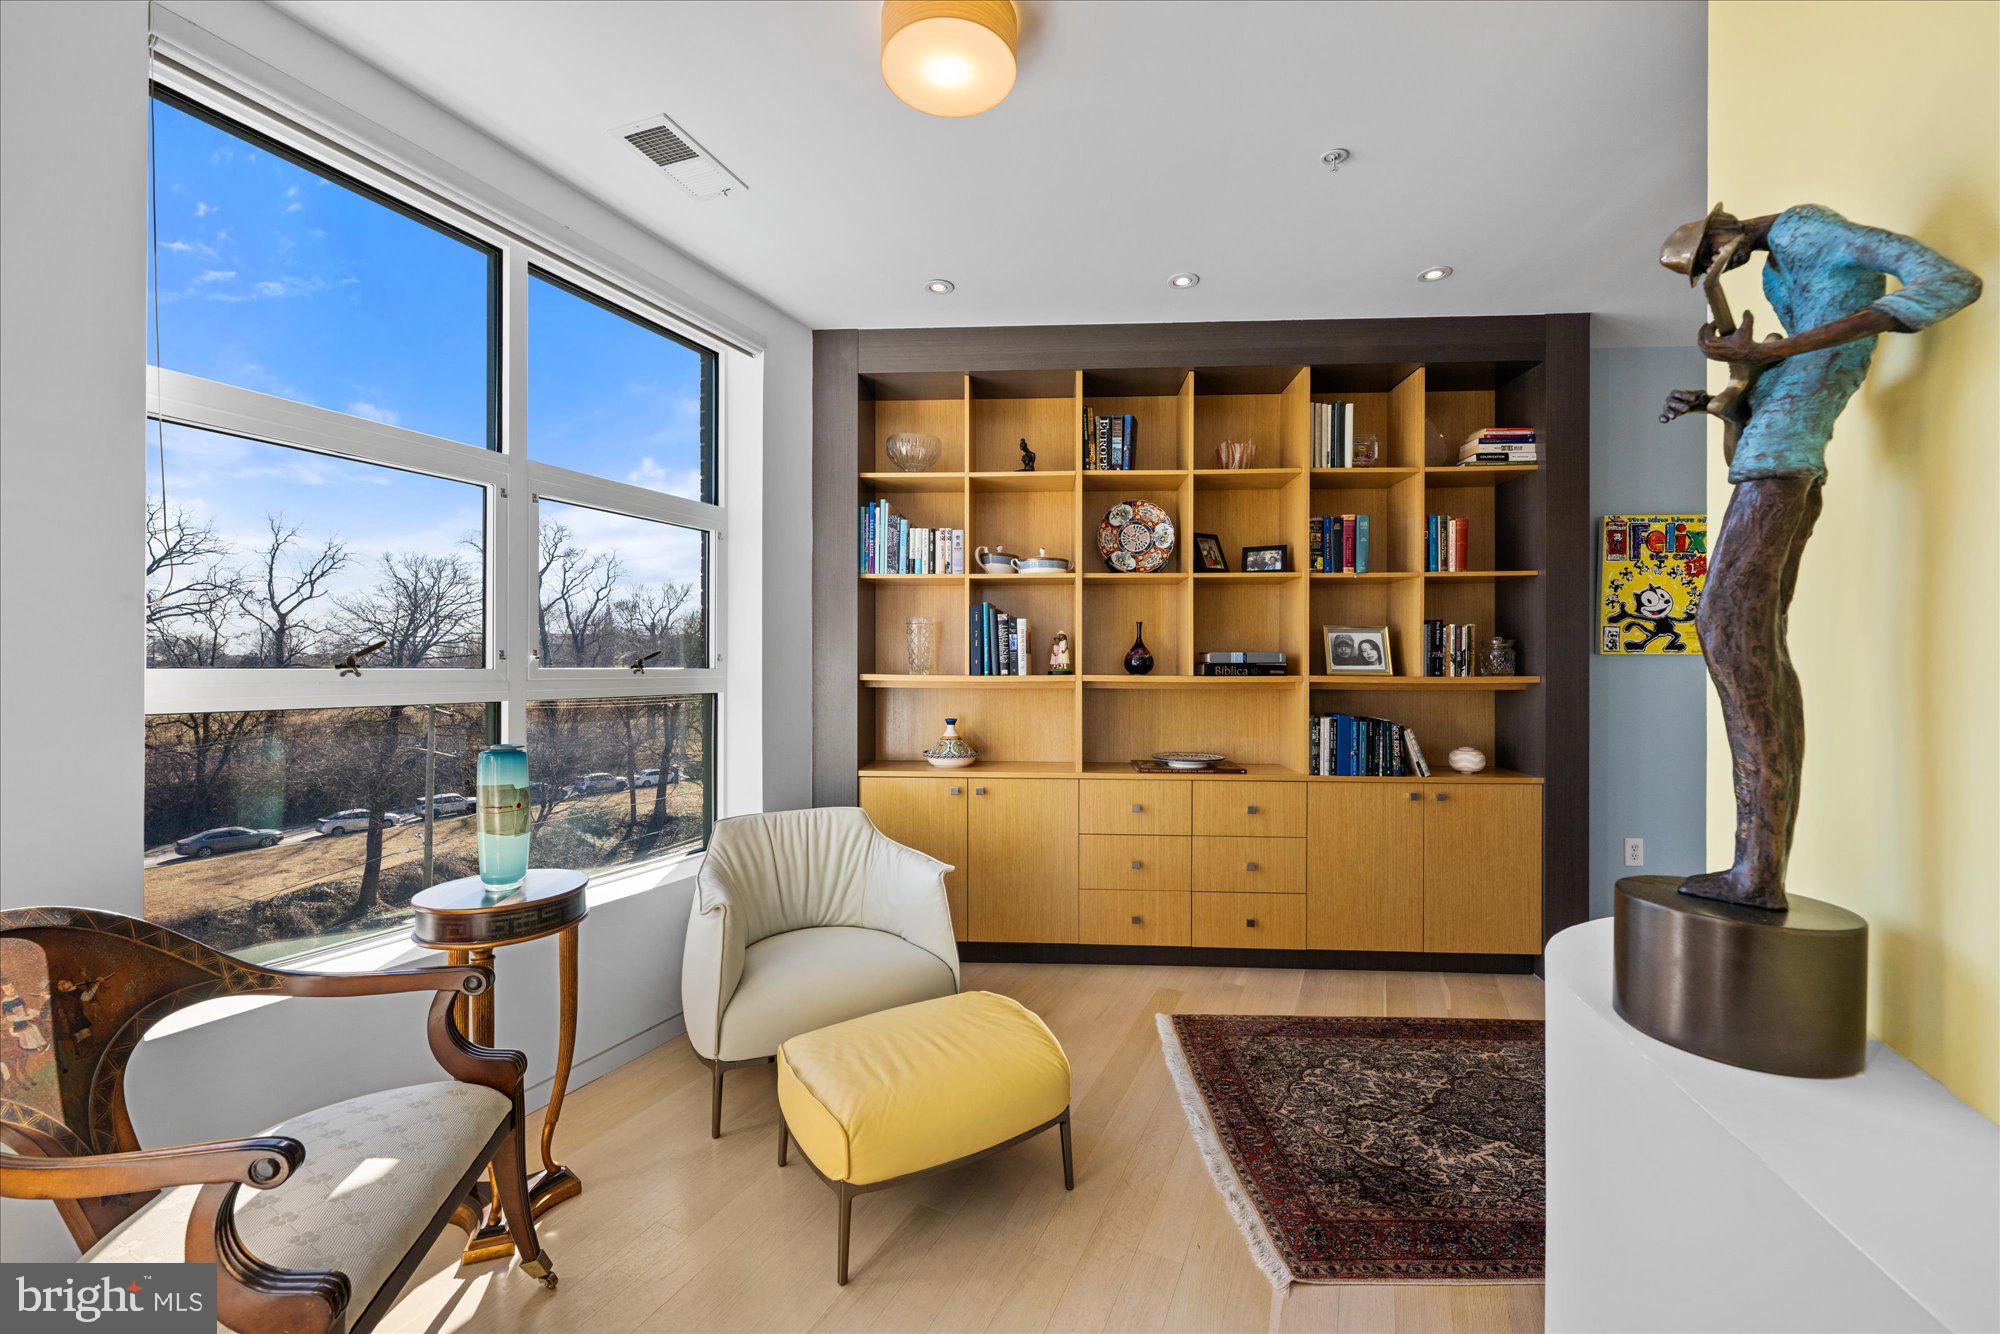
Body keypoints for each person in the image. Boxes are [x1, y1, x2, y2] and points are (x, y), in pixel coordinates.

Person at [1659, 203, 1980, 909]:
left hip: (1786, 465)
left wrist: (1774, 355)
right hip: (1777, 460)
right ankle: (1759, 869)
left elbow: (1951, 284)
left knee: (1728, 632)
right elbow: (1745, 445)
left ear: (1724, 231)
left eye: (1716, 258)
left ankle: (1757, 871)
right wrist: (1731, 396)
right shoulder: (1782, 268)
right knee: (1758, 650)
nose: (1725, 270)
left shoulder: (1809, 229)